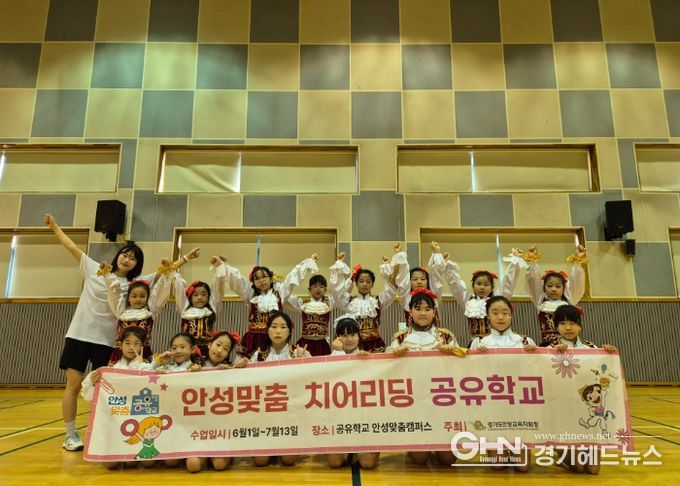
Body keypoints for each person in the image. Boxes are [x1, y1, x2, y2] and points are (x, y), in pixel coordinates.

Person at [45, 213, 150, 451]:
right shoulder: (94, 269)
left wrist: (183, 260)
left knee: (105, 388)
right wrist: (55, 227)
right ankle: (70, 434)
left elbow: (161, 275)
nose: (127, 259)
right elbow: (71, 246)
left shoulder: (133, 286)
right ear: (118, 255)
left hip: (108, 340)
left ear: (137, 265)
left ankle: (101, 432)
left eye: (133, 258)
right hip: (79, 335)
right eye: (125, 254)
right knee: (73, 385)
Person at [388, 288, 466, 467]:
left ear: (434, 311)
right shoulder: (400, 338)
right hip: (413, 399)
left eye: (427, 309)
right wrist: (394, 354)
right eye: (418, 309)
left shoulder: (446, 336)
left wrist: (453, 353)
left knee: (448, 460)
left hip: (442, 398)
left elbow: (461, 366)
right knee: (420, 460)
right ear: (410, 311)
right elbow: (388, 369)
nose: (423, 313)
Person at [469, 295, 535, 472]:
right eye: (495, 313)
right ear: (487, 315)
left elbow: (536, 373)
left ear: (511, 315)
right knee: (497, 465)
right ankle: (498, 448)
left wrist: (533, 354)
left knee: (522, 467)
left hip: (519, 406)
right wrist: (477, 356)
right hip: (492, 405)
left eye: (505, 313)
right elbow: (470, 375)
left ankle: (516, 447)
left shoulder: (525, 342)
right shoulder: (478, 342)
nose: (500, 317)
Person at [221, 255, 317, 358]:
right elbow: (238, 282)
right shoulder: (251, 295)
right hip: (252, 339)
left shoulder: (280, 293)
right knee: (248, 364)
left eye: (264, 277)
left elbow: (291, 278)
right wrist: (224, 266)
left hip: (274, 338)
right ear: (253, 282)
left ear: (271, 279)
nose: (261, 280)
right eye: (257, 279)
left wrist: (308, 262)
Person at [250, 311, 310, 467]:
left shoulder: (298, 352)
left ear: (289, 331)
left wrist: (303, 364)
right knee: (260, 461)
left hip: (291, 412)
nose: (278, 331)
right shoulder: (259, 355)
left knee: (289, 460)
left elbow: (311, 382)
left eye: (283, 327)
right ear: (267, 330)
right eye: (274, 326)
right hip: (265, 412)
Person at [443, 248, 525, 341]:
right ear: (473, 285)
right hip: (475, 343)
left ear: (492, 287)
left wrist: (515, 261)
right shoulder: (468, 300)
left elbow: (508, 283)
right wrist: (447, 265)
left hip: (496, 342)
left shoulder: (497, 300)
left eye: (486, 285)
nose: (482, 287)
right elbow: (456, 286)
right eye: (478, 284)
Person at [103, 260, 173, 363]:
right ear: (128, 298)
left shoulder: (150, 311)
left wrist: (166, 272)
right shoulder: (121, 312)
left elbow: (160, 292)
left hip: (143, 355)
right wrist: (107, 274)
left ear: (147, 298)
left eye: (142, 296)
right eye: (134, 296)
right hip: (120, 356)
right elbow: (114, 294)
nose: (138, 299)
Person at [329, 252, 398, 353]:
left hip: (376, 345)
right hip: (355, 345)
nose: (364, 284)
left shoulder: (378, 301)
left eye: (368, 282)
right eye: (361, 281)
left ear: (372, 284)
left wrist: (386, 267)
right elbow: (337, 292)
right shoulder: (349, 301)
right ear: (356, 284)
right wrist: (340, 264)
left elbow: (391, 292)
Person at [525, 245, 587, 346]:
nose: (553, 289)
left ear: (564, 288)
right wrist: (532, 261)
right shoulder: (540, 301)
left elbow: (576, 282)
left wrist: (578, 261)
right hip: (547, 347)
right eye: (549, 286)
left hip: (568, 346)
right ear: (543, 288)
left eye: (558, 286)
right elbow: (532, 280)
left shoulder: (569, 301)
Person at [171, 255, 228, 356]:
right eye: (196, 295)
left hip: (208, 350)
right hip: (188, 351)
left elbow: (218, 286)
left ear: (209, 296)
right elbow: (178, 286)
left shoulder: (211, 309)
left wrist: (219, 266)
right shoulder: (185, 309)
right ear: (190, 297)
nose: (200, 298)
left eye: (204, 294)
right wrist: (174, 268)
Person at [380, 242, 447, 327]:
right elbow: (402, 276)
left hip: (434, 334)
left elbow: (436, 276)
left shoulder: (433, 295)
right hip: (412, 334)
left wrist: (437, 252)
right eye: (415, 279)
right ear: (409, 282)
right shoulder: (407, 297)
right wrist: (399, 253)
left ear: (428, 281)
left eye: (423, 279)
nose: (419, 282)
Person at [288, 255, 338, 356]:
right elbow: (286, 296)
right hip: (305, 343)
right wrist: (305, 266)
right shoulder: (302, 303)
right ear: (309, 289)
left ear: (325, 290)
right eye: (315, 286)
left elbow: (338, 292)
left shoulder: (329, 302)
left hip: (322, 344)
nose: (318, 289)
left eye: (321, 287)